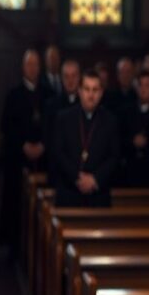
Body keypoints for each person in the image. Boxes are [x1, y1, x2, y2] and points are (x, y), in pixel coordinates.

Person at [0, 49, 49, 260]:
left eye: (36, 64)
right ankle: (14, 247)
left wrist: (43, 146)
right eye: (29, 64)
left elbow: (54, 125)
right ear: (23, 67)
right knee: (15, 205)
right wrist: (23, 145)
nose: (32, 68)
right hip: (18, 159)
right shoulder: (13, 95)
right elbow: (6, 126)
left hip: (43, 160)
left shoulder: (49, 94)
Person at [52, 69, 119, 207]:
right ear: (80, 91)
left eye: (95, 90)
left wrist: (95, 179)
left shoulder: (110, 120)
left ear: (101, 93)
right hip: (69, 193)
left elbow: (114, 156)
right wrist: (78, 178)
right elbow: (58, 153)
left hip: (98, 195)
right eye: (87, 89)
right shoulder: (63, 118)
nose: (91, 95)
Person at [122, 70, 149, 187]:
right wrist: (132, 141)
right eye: (141, 85)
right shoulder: (126, 111)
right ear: (136, 88)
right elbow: (120, 137)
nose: (143, 89)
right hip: (130, 170)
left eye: (147, 85)